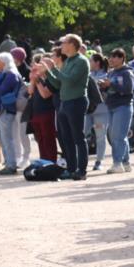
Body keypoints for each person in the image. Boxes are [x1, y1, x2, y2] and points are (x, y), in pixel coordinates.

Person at [37, 34, 90, 180]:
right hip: (65, 102)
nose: (61, 46)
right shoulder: (68, 61)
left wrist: (53, 69)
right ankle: (71, 169)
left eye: (64, 43)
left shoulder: (81, 61)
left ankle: (81, 170)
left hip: (76, 101)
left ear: (72, 44)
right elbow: (58, 84)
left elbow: (70, 80)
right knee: (66, 138)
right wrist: (47, 72)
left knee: (78, 137)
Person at [0, 51, 22, 175]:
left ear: (4, 62)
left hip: (6, 109)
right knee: (2, 139)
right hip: (0, 110)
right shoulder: (3, 74)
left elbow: (1, 91)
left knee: (7, 139)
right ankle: (8, 163)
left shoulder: (11, 75)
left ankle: (11, 165)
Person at [102, 48, 134, 173]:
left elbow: (128, 89)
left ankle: (117, 164)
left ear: (121, 58)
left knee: (117, 136)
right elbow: (109, 89)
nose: (111, 59)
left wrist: (111, 84)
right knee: (116, 136)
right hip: (111, 106)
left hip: (123, 106)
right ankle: (126, 163)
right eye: (110, 57)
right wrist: (104, 86)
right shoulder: (111, 73)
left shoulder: (127, 72)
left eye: (114, 57)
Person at [27, 55, 59, 163]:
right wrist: (32, 79)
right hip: (36, 113)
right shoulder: (39, 78)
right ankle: (44, 161)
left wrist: (37, 81)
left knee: (48, 139)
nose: (39, 65)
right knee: (40, 139)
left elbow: (45, 94)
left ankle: (51, 162)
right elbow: (30, 91)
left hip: (47, 112)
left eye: (43, 64)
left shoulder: (52, 79)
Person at [85, 53, 110, 171]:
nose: (89, 63)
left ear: (97, 62)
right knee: (83, 134)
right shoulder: (87, 75)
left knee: (100, 136)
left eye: (91, 61)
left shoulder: (107, 75)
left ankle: (99, 161)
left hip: (101, 111)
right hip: (87, 110)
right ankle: (82, 160)